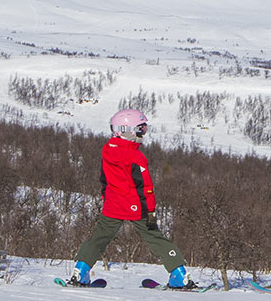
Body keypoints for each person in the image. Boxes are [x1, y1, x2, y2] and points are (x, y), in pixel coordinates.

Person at [68, 109, 196, 289]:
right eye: (140, 129)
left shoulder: (107, 151)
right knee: (155, 238)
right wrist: (150, 211)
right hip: (137, 207)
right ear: (126, 130)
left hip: (113, 205)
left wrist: (108, 198)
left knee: (98, 238)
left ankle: (80, 272)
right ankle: (179, 275)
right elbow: (145, 187)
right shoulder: (136, 157)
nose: (143, 134)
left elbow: (104, 179)